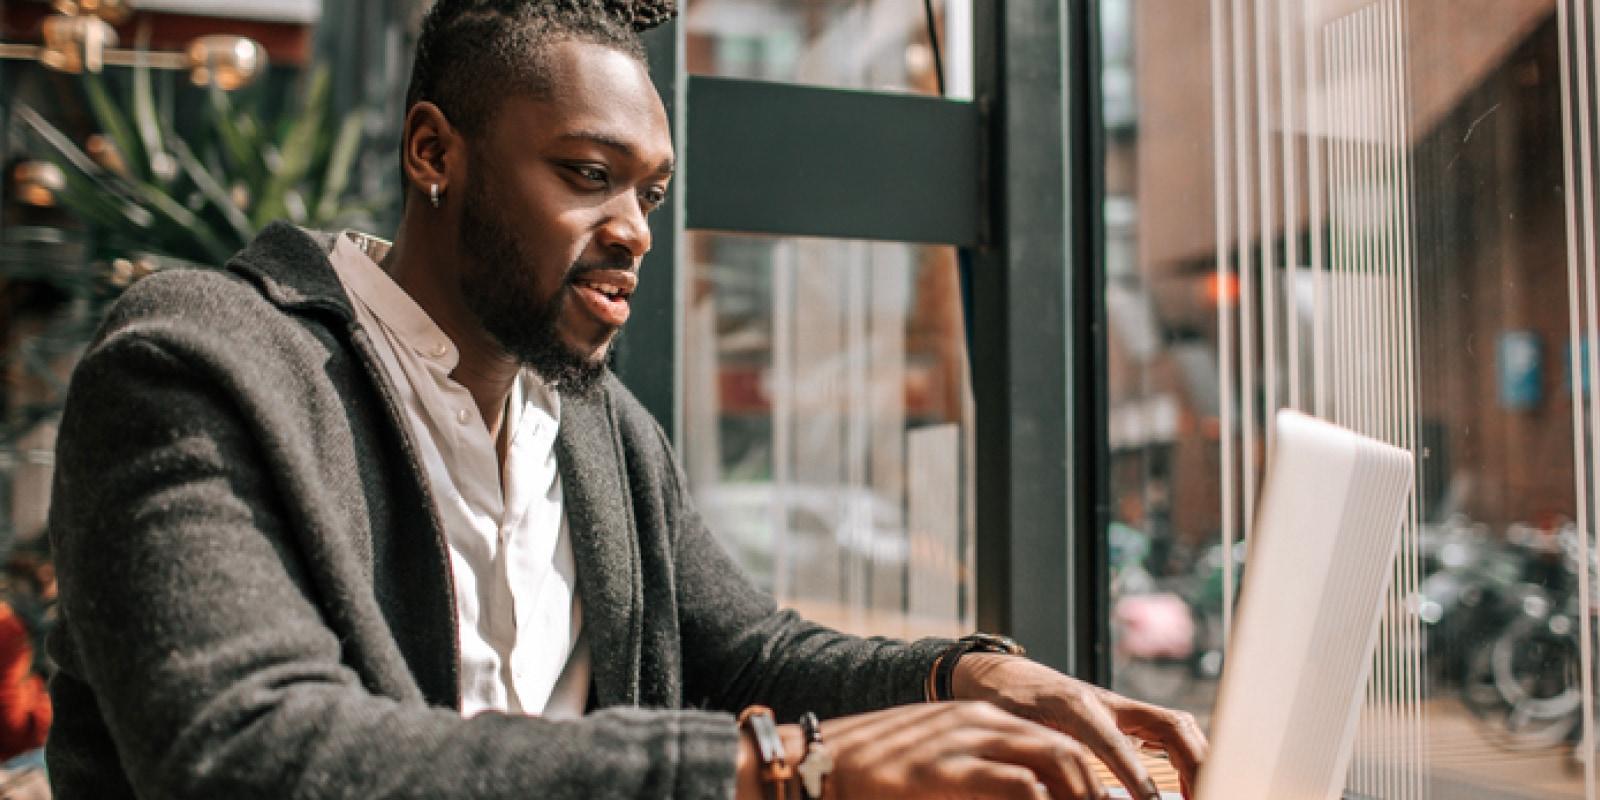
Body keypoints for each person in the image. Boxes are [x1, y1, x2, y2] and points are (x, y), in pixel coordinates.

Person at [43, 1, 1207, 798]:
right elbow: (252, 755)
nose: (635, 232)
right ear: (433, 152)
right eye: (588, 177)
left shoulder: (592, 423)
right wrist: (782, 771)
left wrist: (968, 674)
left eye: (649, 190)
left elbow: (748, 650)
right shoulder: (196, 366)